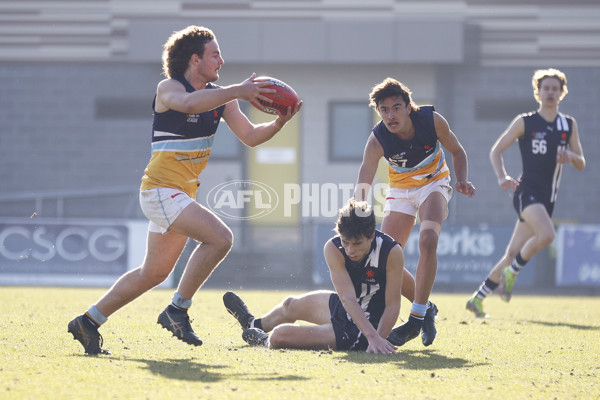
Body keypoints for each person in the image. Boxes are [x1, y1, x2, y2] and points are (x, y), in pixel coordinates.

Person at [67, 25, 302, 354]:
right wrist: (236, 90)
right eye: (215, 54)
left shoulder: (222, 98)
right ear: (195, 59)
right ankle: (178, 309)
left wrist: (278, 123)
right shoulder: (169, 89)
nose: (222, 60)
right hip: (161, 191)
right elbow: (190, 105)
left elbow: (249, 136)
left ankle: (88, 321)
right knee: (221, 238)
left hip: (176, 196)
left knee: (154, 273)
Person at [354, 78, 476, 346]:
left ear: (409, 107)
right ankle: (428, 308)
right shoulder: (377, 139)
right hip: (400, 191)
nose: (391, 115)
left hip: (434, 183)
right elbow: (366, 173)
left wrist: (462, 179)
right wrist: (357, 208)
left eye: (396, 107)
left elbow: (458, 151)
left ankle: (417, 317)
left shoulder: (432, 121)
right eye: (384, 110)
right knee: (385, 259)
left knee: (428, 240)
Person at [466, 68, 585, 318]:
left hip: (547, 198)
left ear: (562, 93)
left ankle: (477, 298)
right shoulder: (525, 121)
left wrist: (571, 156)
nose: (550, 92)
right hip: (526, 192)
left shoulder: (568, 125)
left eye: (555, 89)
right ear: (538, 92)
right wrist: (502, 177)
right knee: (548, 234)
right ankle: (513, 272)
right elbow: (496, 150)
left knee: (511, 253)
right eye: (546, 88)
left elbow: (581, 162)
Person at [223, 199, 402, 354]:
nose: (350, 250)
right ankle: (253, 324)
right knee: (289, 304)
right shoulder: (333, 248)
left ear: (371, 237)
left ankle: (263, 340)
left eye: (357, 244)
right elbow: (347, 298)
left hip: (362, 329)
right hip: (347, 307)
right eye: (346, 242)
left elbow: (393, 304)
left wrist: (376, 338)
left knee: (278, 336)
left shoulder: (391, 251)